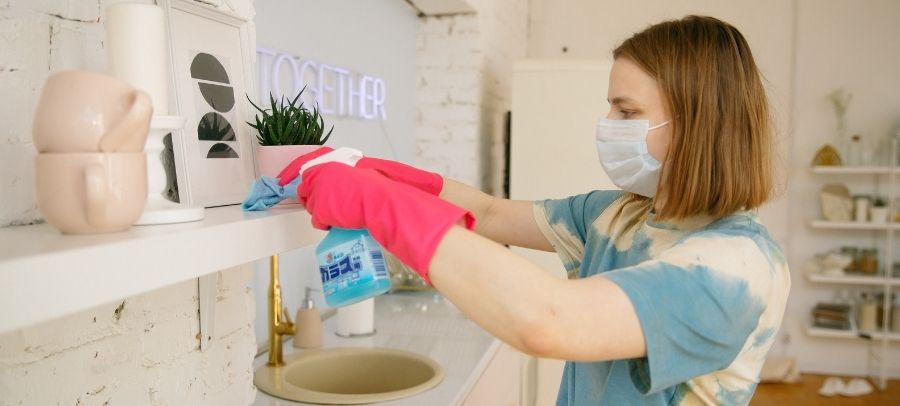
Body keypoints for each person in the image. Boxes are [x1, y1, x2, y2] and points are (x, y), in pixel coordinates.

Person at [277, 15, 790, 406]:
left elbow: (547, 320)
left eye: (628, 112)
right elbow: (490, 213)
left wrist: (377, 203)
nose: (607, 122)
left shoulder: (734, 267)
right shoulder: (619, 215)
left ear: (700, 123)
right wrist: (376, 172)